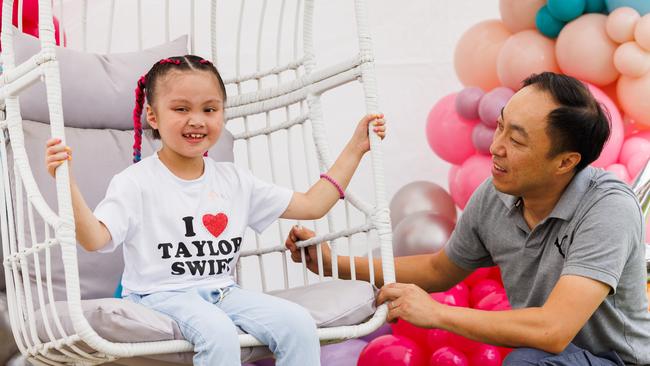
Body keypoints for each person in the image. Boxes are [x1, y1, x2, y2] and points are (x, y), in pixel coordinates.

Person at [286, 72, 650, 365]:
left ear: (566, 162)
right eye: (501, 126)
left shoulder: (607, 206)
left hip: (617, 360)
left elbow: (553, 329)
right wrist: (335, 264)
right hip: (550, 356)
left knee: (527, 361)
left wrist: (437, 314)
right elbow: (438, 270)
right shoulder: (495, 196)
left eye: (517, 141)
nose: (496, 147)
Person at [44, 55, 386, 366]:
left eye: (210, 109)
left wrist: (357, 147)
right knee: (218, 333)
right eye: (181, 109)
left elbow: (313, 204)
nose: (197, 120)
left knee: (298, 325)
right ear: (153, 116)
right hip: (158, 295)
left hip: (223, 292)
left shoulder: (234, 180)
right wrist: (67, 183)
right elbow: (94, 239)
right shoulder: (135, 182)